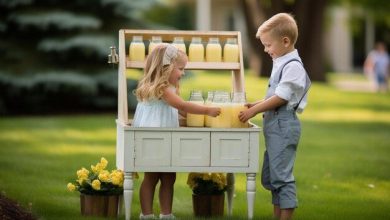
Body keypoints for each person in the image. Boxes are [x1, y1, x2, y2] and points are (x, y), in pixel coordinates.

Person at [132, 44, 221, 220]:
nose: (183, 73)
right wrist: (206, 111)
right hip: (155, 139)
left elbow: (179, 110)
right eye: (181, 68)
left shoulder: (168, 88)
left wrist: (195, 119)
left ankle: (166, 214)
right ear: (166, 68)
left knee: (169, 177)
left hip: (166, 138)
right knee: (151, 177)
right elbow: (181, 105)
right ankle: (147, 215)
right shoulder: (161, 89)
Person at [238, 13, 311, 220]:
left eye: (268, 45)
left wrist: (254, 111)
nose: (265, 49)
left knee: (282, 177)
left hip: (284, 125)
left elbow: (281, 98)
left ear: (285, 41)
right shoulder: (281, 61)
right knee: (272, 176)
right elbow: (275, 96)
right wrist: (257, 103)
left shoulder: (293, 66)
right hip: (275, 126)